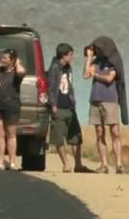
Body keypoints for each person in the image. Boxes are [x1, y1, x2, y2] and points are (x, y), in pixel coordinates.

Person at [83, 36, 127, 174]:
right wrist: (89, 58)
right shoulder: (96, 61)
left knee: (115, 132)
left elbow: (109, 79)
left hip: (110, 100)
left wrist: (96, 76)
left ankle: (119, 164)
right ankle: (104, 164)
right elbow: (85, 75)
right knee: (99, 132)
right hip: (95, 100)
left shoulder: (113, 62)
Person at [47, 43, 91, 173]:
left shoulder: (68, 67)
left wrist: (73, 102)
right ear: (63, 55)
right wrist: (53, 105)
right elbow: (51, 88)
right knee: (58, 137)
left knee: (76, 136)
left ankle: (78, 164)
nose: (72, 57)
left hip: (70, 106)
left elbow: (70, 85)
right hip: (58, 106)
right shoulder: (55, 68)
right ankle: (66, 163)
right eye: (70, 55)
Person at [0, 49, 25, 171]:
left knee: (11, 134)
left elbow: (21, 73)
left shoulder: (16, 72)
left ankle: (13, 162)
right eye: (2, 58)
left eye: (5, 58)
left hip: (11, 105)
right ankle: (0, 162)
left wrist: (18, 63)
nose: (2, 60)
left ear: (12, 60)